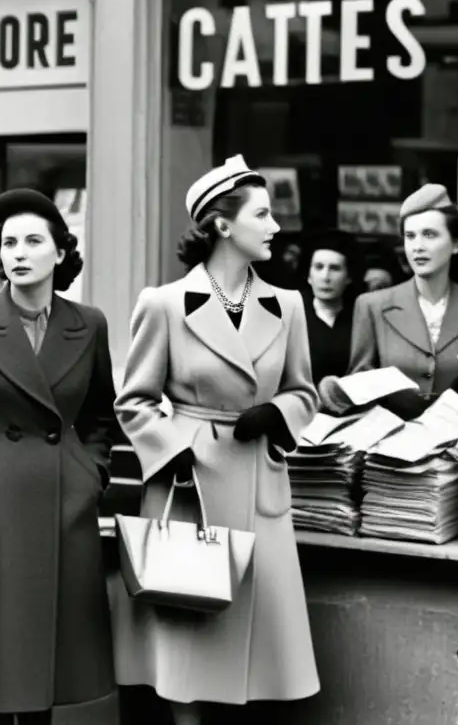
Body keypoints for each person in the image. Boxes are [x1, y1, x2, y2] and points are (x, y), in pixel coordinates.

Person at [112, 155, 320, 725]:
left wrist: (278, 413)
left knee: (255, 658)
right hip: (190, 487)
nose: (275, 226)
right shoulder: (165, 303)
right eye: (262, 214)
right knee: (191, 656)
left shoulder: (289, 305)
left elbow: (306, 391)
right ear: (223, 225)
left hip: (260, 487)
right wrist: (178, 448)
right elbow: (132, 401)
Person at [0, 188, 119, 725]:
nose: (19, 253)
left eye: (34, 241)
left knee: (47, 657)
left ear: (60, 252)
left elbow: (102, 415)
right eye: (9, 242)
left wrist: (90, 474)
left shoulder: (90, 323)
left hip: (63, 505)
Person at [319, 183, 458, 419]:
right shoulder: (372, 306)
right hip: (389, 444)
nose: (418, 246)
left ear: (457, 244)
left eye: (430, 234)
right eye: (410, 236)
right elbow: (361, 386)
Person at [303, 231, 358, 383]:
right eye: (318, 267)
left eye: (335, 268)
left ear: (348, 277)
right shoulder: (293, 316)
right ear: (309, 276)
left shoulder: (360, 317)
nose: (325, 277)